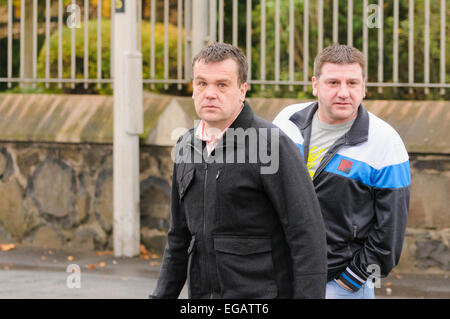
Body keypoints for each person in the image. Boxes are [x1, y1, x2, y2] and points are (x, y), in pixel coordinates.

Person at [149, 43, 327, 299]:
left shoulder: (271, 145)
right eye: (201, 83)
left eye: (222, 85)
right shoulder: (185, 146)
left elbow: (307, 235)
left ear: (242, 90)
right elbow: (178, 238)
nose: (210, 93)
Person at [273, 44, 410, 299]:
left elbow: (390, 230)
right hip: (281, 275)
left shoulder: (385, 143)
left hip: (339, 284)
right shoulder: (285, 122)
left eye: (352, 83)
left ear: (364, 87)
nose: (344, 92)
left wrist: (352, 279)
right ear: (315, 84)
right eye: (333, 82)